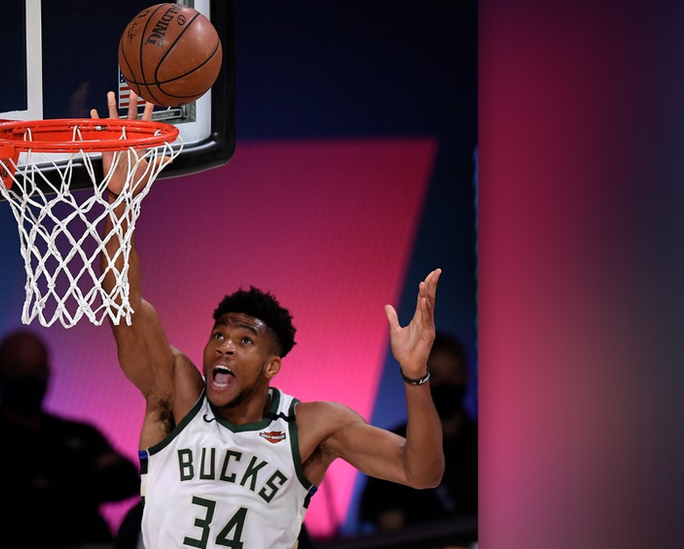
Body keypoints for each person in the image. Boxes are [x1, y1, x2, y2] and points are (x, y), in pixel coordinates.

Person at [89, 91, 446, 548]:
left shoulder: (312, 427)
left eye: (244, 340)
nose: (225, 346)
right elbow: (124, 303)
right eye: (220, 333)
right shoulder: (176, 394)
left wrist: (414, 375)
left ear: (272, 365)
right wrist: (119, 202)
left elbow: (422, 472)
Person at [0, 329, 140, 549]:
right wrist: (86, 477)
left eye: (39, 370)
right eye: (19, 369)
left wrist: (52, 482)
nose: (30, 378)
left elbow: (128, 478)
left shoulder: (81, 432)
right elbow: (12, 508)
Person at [358, 332, 478, 532]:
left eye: (454, 374)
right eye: (436, 376)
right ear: (420, 379)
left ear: (466, 377)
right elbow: (391, 529)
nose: (446, 384)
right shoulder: (391, 446)